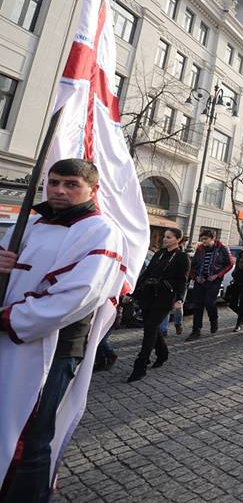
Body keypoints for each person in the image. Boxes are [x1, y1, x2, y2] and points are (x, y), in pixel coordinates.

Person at [0, 159, 127, 502]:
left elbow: (80, 294)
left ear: (92, 190)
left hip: (53, 348)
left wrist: (11, 318)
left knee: (31, 438)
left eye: (71, 184)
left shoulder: (101, 230)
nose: (59, 190)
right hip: (8, 340)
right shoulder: (32, 221)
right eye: (54, 182)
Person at [125, 228, 190, 383]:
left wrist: (179, 299)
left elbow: (183, 280)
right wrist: (132, 293)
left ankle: (141, 365)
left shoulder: (182, 257)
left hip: (165, 298)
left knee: (150, 328)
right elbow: (146, 274)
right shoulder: (159, 253)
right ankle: (162, 353)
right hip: (148, 296)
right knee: (151, 326)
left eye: (169, 237)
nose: (165, 239)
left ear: (178, 239)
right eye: (164, 236)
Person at [186, 230, 233, 341]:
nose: (203, 241)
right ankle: (196, 330)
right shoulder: (200, 249)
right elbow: (193, 265)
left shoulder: (222, 248)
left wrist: (217, 275)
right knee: (197, 305)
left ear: (212, 238)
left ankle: (214, 320)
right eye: (202, 239)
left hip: (214, 280)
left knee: (209, 302)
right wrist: (195, 276)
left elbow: (230, 263)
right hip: (200, 280)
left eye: (205, 239)